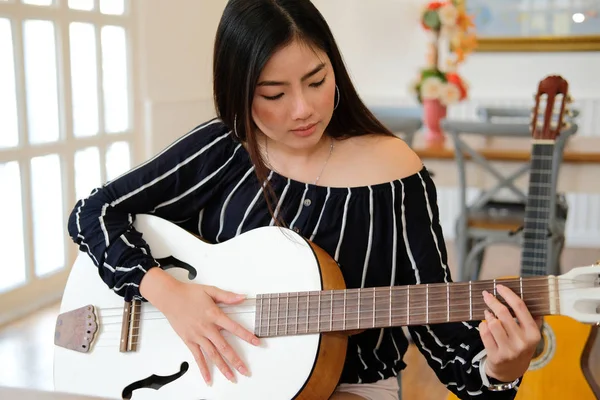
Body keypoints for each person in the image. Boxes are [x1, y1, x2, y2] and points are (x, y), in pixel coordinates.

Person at [67, 0, 542, 399]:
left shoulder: (396, 177)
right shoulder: (225, 147)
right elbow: (93, 213)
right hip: (214, 383)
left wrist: (502, 366)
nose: (303, 109)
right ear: (237, 91)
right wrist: (167, 293)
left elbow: (447, 348)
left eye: (316, 81)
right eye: (274, 93)